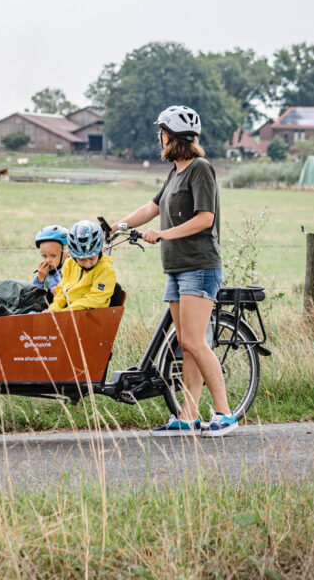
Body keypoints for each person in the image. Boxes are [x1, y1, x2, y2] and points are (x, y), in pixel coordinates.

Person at [112, 105, 236, 437]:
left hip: (200, 266)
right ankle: (189, 415)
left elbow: (204, 218)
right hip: (177, 268)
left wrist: (164, 234)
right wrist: (117, 226)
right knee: (187, 342)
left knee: (195, 340)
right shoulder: (176, 172)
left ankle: (224, 413)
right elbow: (152, 208)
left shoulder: (200, 169)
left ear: (172, 137)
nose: (159, 139)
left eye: (161, 134)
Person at [48, 220, 116, 311]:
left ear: (100, 251)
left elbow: (96, 299)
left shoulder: (105, 270)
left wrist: (66, 312)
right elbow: (62, 292)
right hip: (69, 311)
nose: (87, 264)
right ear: (74, 256)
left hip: (90, 313)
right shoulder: (69, 263)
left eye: (92, 258)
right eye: (82, 260)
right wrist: (54, 309)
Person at [33, 224, 69, 296]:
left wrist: (59, 290)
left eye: (53, 256)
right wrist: (40, 279)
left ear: (66, 254)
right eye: (44, 256)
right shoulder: (45, 272)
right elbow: (34, 295)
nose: (47, 260)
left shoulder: (71, 270)